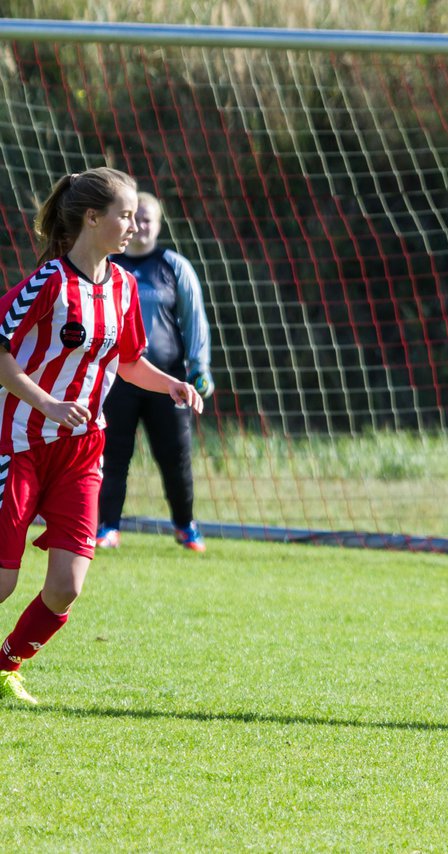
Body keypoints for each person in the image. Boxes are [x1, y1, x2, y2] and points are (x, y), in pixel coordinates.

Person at [0, 168, 204, 705]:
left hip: (84, 450)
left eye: (137, 215)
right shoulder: (47, 283)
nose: (135, 224)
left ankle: (5, 666)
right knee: (1, 581)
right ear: (93, 218)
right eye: (125, 214)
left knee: (67, 584)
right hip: (19, 444)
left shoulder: (122, 287)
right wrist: (44, 401)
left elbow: (130, 360)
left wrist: (173, 386)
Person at [95, 192, 214, 553]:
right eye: (135, 218)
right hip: (119, 380)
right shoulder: (107, 266)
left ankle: (184, 526)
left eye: (148, 219)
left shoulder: (174, 266)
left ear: (159, 225)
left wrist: (199, 369)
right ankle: (107, 528)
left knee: (175, 457)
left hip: (168, 382)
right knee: (113, 455)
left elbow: (196, 322)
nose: (141, 225)